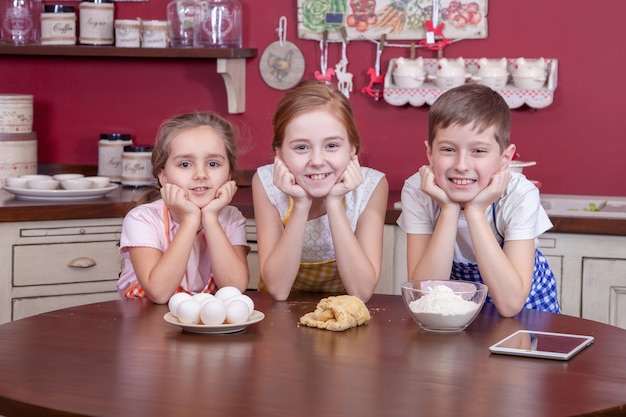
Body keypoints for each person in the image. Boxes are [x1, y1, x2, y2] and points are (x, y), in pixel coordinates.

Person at [397, 84, 559, 317]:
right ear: (430, 153)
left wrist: (475, 211)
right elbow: (425, 295)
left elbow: (510, 304)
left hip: (525, 312)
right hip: (455, 314)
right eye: (448, 149)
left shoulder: (519, 194)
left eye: (479, 151)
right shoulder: (418, 190)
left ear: (505, 158)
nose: (461, 166)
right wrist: (449, 209)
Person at [252, 79, 389, 302]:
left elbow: (361, 292)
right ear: (279, 152)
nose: (317, 161)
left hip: (344, 313)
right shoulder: (266, 182)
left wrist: (335, 203)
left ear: (352, 148)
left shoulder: (372, 186)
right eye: (301, 147)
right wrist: (301, 205)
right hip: (278, 315)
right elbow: (277, 289)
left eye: (332, 146)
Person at [117, 112, 250, 304]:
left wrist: (210, 218)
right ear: (163, 176)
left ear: (229, 174)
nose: (201, 174)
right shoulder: (141, 219)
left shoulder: (231, 218)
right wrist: (190, 220)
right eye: (185, 164)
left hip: (206, 328)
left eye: (213, 163)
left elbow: (234, 288)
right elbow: (159, 293)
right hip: (150, 326)